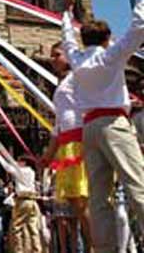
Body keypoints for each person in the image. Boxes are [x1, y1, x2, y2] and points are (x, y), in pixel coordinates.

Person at [62, 0, 144, 253]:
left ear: (84, 40)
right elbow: (138, 29)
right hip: (114, 125)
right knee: (137, 184)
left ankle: (106, 249)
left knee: (99, 197)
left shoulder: (76, 60)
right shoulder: (111, 56)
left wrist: (67, 9)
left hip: (90, 130)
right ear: (107, 38)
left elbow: (67, 39)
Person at [40, 42, 92, 252]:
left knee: (81, 199)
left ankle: (95, 246)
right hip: (66, 143)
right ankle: (90, 245)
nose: (53, 59)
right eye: (52, 56)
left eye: (57, 55)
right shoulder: (64, 82)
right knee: (75, 200)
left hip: (79, 141)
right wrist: (49, 154)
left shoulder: (78, 78)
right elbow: (59, 124)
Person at [0, 152, 41, 253]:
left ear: (24, 162)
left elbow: (7, 167)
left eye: (19, 161)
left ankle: (19, 250)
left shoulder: (21, 171)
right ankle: (37, 249)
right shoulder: (31, 171)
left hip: (22, 200)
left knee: (17, 227)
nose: (17, 162)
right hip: (32, 201)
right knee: (32, 226)